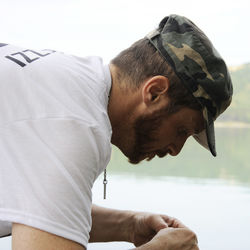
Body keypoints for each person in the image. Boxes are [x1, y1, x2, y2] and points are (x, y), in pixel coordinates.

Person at [0, 14, 232, 250]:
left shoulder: (70, 85)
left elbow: (49, 208)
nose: (175, 150)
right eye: (182, 130)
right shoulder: (74, 124)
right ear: (154, 92)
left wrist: (130, 225)